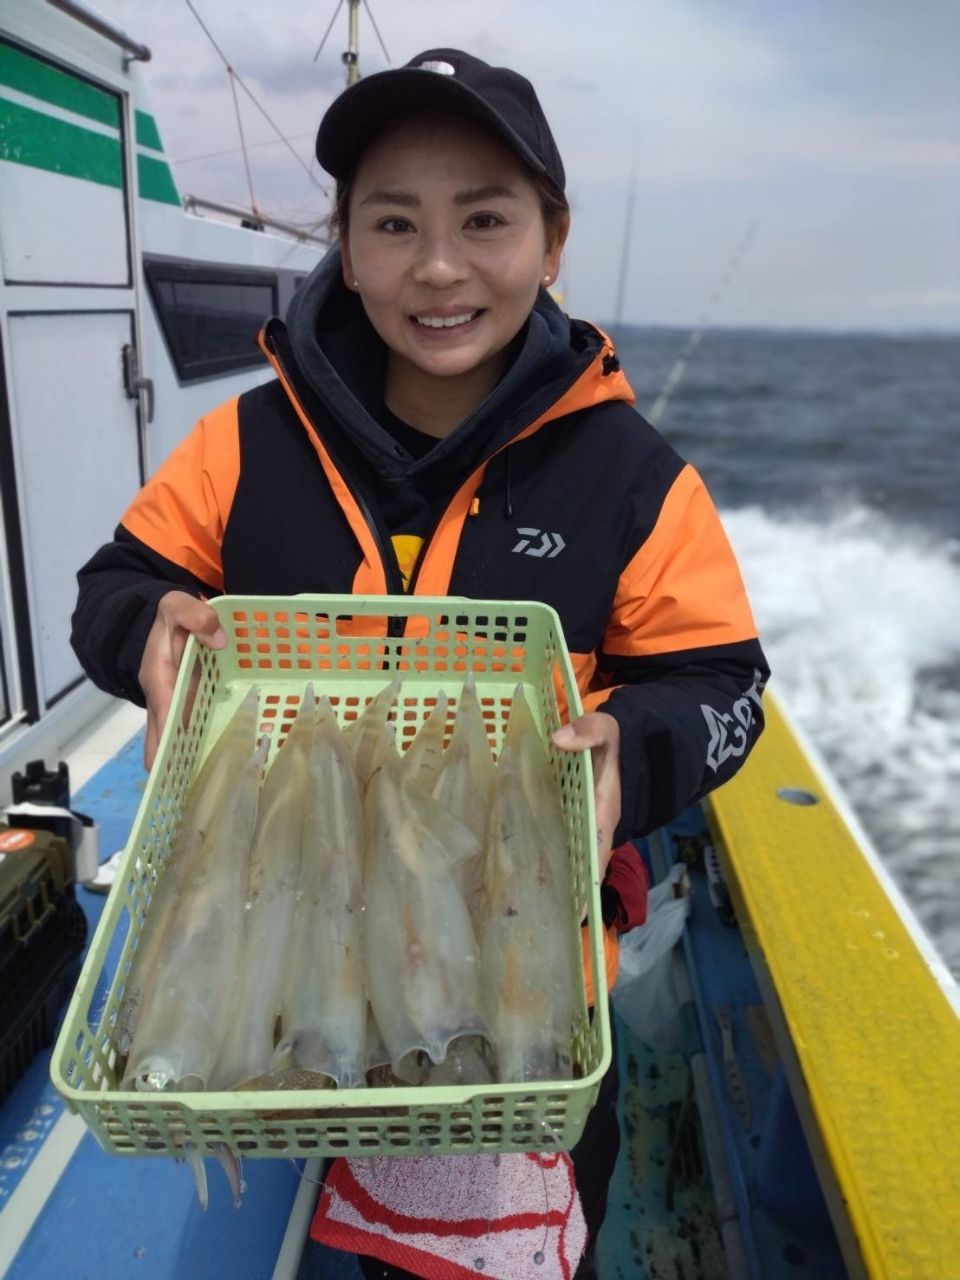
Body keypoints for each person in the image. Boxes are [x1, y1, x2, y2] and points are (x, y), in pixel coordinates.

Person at [71, 47, 769, 1279]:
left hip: (520, 964)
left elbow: (721, 685)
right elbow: (112, 589)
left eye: (485, 220)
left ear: (552, 243)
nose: (438, 266)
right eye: (393, 223)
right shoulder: (246, 441)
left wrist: (632, 749)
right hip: (269, 930)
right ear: (345, 244)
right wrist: (152, 629)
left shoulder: (634, 478)